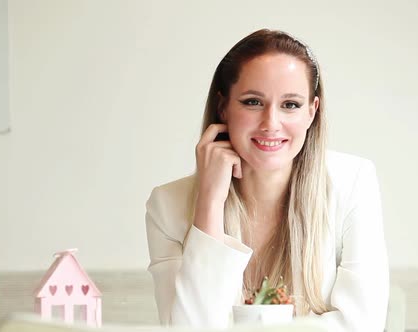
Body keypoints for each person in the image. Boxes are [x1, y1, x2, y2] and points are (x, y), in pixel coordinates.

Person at [145, 28, 389, 331]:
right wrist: (209, 205)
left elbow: (361, 325)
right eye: (252, 102)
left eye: (290, 105)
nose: (271, 124)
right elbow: (189, 328)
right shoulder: (167, 205)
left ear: (312, 112)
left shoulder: (353, 182)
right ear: (223, 107)